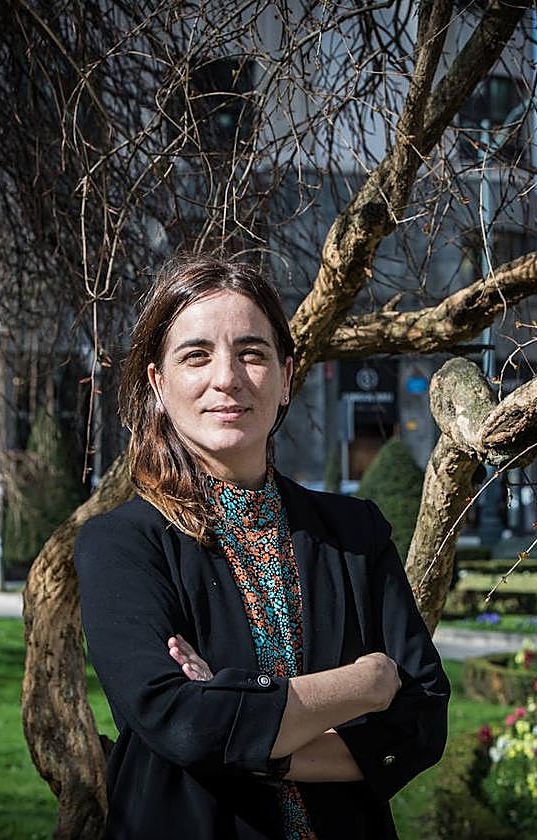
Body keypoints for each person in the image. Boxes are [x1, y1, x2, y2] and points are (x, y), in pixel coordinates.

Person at [74, 255, 450, 839]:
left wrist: (251, 736)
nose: (227, 377)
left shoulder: (354, 533)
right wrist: (367, 683)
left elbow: (422, 719)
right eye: (196, 355)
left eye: (252, 353)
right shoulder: (120, 544)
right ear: (158, 383)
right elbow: (178, 721)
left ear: (285, 377)